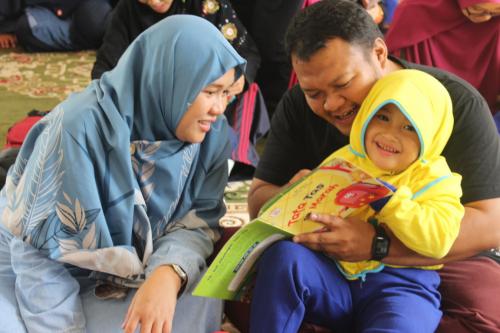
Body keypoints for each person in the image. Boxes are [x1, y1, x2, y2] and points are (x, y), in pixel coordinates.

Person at [247, 1, 500, 332]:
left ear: (379, 53)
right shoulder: (300, 105)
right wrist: (292, 197)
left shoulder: (449, 102)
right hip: (326, 259)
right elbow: (258, 199)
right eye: (315, 93)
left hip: (429, 261)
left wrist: (377, 245)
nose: (332, 104)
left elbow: (489, 223)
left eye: (343, 84)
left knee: (486, 314)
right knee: (248, 275)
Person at [0, 14, 246, 333]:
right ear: (170, 80)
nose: (218, 108)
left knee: (196, 291)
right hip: (29, 274)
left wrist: (167, 274)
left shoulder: (211, 136)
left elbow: (197, 224)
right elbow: (35, 257)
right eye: (210, 91)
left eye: (226, 93)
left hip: (123, 274)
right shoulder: (78, 130)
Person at [250, 68, 464, 332]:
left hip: (401, 287)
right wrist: (296, 196)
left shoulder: (438, 180)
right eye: (382, 117)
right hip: (334, 277)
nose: (390, 134)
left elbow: (439, 240)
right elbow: (301, 216)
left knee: (402, 324)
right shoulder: (347, 160)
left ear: (430, 133)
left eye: (410, 127)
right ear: (366, 116)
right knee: (285, 256)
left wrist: (392, 202)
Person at [91, 0, 268, 175]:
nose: (154, 1)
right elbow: (105, 69)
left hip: (213, 98)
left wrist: (238, 80)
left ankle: (228, 158)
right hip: (155, 107)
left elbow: (246, 53)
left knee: (248, 93)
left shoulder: (208, 4)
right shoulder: (127, 9)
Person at [385, 0, 500, 114]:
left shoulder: (495, 24)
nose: (485, 18)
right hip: (419, 107)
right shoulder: (415, 12)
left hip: (471, 111)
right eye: (479, 10)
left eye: (493, 13)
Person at [0, 0, 114, 51]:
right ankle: (91, 40)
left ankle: (97, 38)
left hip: (90, 7)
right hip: (49, 12)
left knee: (93, 22)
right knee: (26, 28)